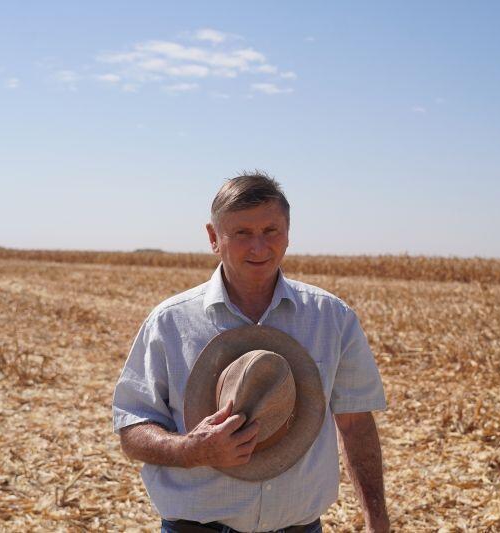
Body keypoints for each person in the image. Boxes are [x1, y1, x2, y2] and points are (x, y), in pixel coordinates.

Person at [112, 172, 389, 533]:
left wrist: (378, 522)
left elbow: (356, 425)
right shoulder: (171, 322)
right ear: (214, 238)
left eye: (270, 231)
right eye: (242, 233)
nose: (259, 247)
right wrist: (192, 451)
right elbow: (132, 427)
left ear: (288, 233)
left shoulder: (331, 318)